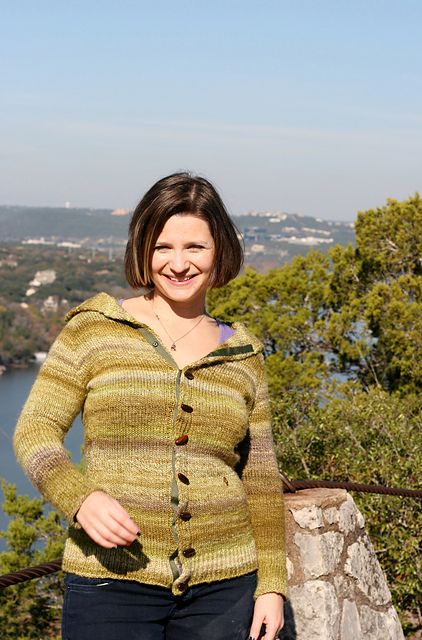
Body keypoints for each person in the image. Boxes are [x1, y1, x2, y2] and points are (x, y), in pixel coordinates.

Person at [14, 172, 287, 640]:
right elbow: (34, 430)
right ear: (143, 250)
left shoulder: (244, 354)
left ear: (219, 251)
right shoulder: (95, 330)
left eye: (195, 248)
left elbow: (260, 478)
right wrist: (79, 499)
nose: (178, 264)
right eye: (163, 247)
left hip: (227, 587)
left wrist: (272, 587)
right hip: (110, 581)